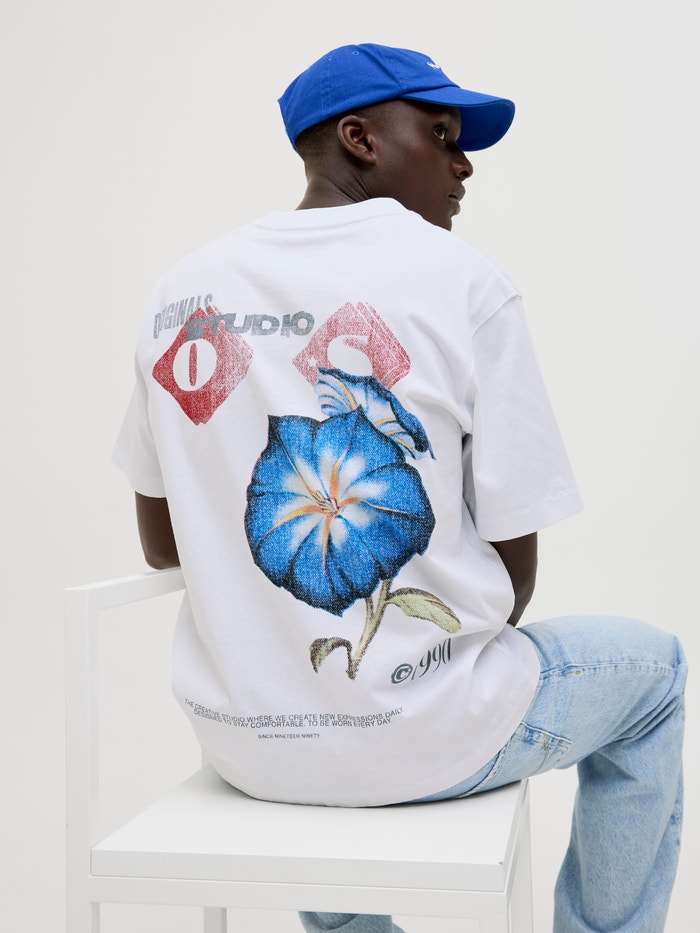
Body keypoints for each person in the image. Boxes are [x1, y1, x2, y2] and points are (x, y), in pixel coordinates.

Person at [113, 43, 686, 933]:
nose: (465, 166)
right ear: (360, 138)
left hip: (248, 743)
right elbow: (514, 578)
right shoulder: (462, 282)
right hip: (426, 732)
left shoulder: (182, 295)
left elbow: (162, 544)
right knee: (655, 675)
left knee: (325, 731)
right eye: (443, 135)